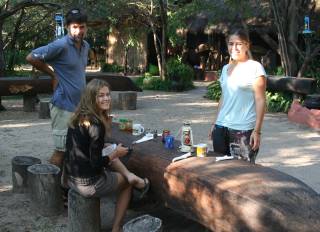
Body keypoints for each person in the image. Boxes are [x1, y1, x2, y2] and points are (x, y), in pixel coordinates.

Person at [64, 79, 150, 232]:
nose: (106, 98)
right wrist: (115, 153)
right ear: (91, 98)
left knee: (109, 149)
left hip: (71, 178)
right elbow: (97, 163)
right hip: (87, 184)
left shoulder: (78, 117)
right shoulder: (96, 125)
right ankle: (116, 228)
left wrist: (105, 147)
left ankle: (130, 175)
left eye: (108, 95)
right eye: (101, 96)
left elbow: (82, 146)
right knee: (126, 184)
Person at [26, 8, 90, 170]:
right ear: (68, 27)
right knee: (60, 152)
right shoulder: (60, 45)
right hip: (63, 105)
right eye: (75, 27)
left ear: (86, 27)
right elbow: (31, 57)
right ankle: (47, 187)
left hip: (79, 106)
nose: (78, 31)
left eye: (82, 27)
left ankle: (64, 186)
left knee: (75, 148)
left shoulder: (86, 46)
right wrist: (52, 74)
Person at [209, 28, 267, 164]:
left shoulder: (255, 68)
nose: (234, 47)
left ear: (247, 45)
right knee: (221, 169)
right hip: (220, 127)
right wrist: (214, 123)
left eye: (239, 44)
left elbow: (260, 100)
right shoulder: (225, 69)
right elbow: (223, 97)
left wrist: (257, 131)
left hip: (243, 129)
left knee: (242, 173)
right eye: (230, 44)